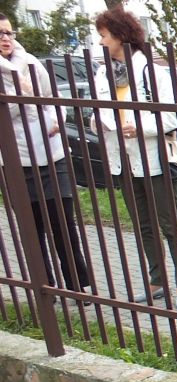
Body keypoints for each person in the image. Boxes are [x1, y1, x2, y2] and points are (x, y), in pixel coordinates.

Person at [92, 6, 177, 310]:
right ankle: (157, 280)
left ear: (121, 36)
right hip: (122, 158)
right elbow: (97, 109)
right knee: (143, 224)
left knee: (170, 225)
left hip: (154, 158)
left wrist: (141, 127)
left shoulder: (151, 72)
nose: (100, 42)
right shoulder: (103, 73)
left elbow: (173, 115)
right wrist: (98, 122)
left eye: (104, 36)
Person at [0, 14, 92, 292]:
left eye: (9, 33)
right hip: (16, 160)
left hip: (52, 154)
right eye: (0, 34)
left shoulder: (30, 63)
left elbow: (53, 99)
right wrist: (23, 96)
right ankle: (45, 286)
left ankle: (77, 284)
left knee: (63, 223)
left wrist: (56, 119)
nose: (6, 38)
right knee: (32, 227)